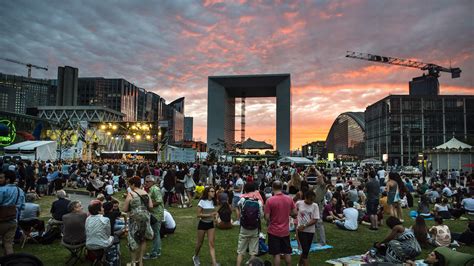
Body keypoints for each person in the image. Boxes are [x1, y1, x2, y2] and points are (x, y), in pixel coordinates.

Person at [264, 180, 297, 266]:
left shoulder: (269, 200)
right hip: (285, 231)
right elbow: (295, 213)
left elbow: (267, 217)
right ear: (282, 187)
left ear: (272, 188)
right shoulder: (289, 199)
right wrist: (287, 212)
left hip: (273, 231)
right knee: (287, 252)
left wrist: (268, 221)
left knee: (276, 254)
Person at [124, 176, 154, 266]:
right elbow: (151, 206)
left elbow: (125, 209)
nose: (129, 186)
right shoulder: (145, 193)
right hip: (145, 218)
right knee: (143, 239)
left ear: (133, 184)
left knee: (133, 239)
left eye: (130, 184)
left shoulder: (131, 194)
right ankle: (140, 261)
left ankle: (133, 262)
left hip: (135, 219)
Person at [0, 170, 25, 255]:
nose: (0, 179)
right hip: (13, 220)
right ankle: (10, 262)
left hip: (1, 220)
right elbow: (22, 206)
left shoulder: (2, 190)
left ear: (7, 179)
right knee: (8, 244)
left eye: (1, 178)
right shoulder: (20, 190)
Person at [193, 186, 219, 266]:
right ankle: (195, 256)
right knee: (199, 243)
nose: (213, 193)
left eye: (214, 191)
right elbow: (198, 215)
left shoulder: (214, 202)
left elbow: (215, 212)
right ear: (207, 192)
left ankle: (214, 263)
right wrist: (210, 214)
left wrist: (216, 217)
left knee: (211, 244)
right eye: (211, 191)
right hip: (202, 224)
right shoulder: (202, 202)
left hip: (211, 224)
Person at [295, 190, 319, 266]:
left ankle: (299, 263)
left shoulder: (315, 205)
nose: (312, 201)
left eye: (313, 200)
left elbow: (315, 219)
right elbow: (293, 212)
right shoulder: (299, 203)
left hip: (310, 231)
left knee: (306, 250)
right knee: (305, 250)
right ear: (306, 197)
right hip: (301, 231)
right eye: (310, 199)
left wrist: (305, 225)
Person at [143, 175, 164, 260]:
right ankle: (156, 251)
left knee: (156, 234)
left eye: (148, 181)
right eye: (145, 181)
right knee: (156, 233)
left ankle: (155, 253)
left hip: (156, 214)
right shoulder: (151, 189)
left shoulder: (155, 189)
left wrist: (149, 206)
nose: (146, 183)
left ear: (152, 182)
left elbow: (159, 201)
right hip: (154, 213)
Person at [312, 174, 327, 245]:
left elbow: (321, 176)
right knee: (313, 223)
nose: (316, 178)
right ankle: (314, 240)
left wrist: (315, 170)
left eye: (317, 177)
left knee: (319, 223)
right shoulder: (316, 186)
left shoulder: (323, 187)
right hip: (314, 206)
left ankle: (322, 241)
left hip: (319, 206)